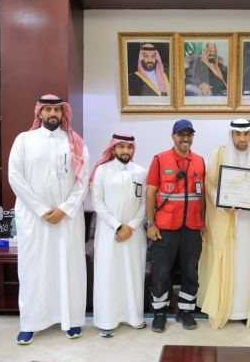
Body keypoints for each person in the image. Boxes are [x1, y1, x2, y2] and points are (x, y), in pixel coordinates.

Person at [8, 94, 90, 345]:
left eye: (57, 109)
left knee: (69, 268)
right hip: (34, 219)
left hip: (67, 219)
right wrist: (42, 210)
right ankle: (30, 323)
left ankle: (72, 320)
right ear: (39, 113)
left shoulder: (75, 142)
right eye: (48, 109)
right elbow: (15, 177)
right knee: (33, 269)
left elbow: (83, 181)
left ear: (63, 113)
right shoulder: (24, 140)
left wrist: (64, 209)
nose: (53, 113)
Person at [197, 119, 250, 329]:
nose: (242, 139)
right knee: (228, 264)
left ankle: (245, 310)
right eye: (238, 134)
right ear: (232, 135)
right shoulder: (217, 155)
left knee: (247, 266)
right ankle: (225, 308)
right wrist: (224, 202)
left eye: (245, 134)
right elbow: (210, 185)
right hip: (226, 220)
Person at [145, 119, 206, 333]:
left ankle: (185, 312)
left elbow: (202, 195)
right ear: (173, 137)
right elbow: (151, 193)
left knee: (191, 272)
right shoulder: (160, 160)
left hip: (192, 227)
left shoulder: (199, 161)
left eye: (189, 134)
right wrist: (150, 224)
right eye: (181, 134)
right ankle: (159, 313)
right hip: (165, 228)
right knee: (161, 272)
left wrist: (204, 222)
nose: (185, 138)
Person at [89, 133, 147, 338]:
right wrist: (117, 226)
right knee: (109, 276)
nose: (125, 151)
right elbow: (97, 202)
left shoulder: (141, 172)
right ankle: (107, 321)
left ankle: (134, 317)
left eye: (129, 147)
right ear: (113, 149)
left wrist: (130, 226)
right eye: (121, 147)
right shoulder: (102, 171)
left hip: (134, 234)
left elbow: (144, 204)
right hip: (109, 234)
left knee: (133, 275)